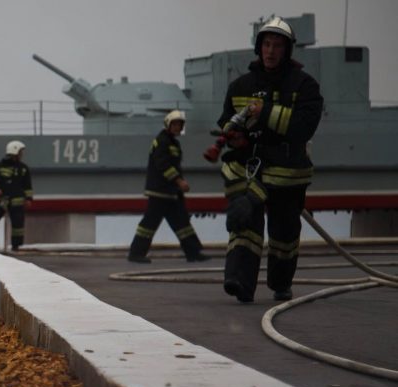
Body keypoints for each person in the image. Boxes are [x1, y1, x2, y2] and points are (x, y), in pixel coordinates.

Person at [217, 16, 323, 303]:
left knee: (284, 234)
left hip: (286, 173)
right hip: (248, 169)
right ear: (259, 47)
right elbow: (226, 120)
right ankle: (239, 282)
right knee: (244, 224)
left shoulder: (304, 86)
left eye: (277, 45)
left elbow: (303, 128)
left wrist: (264, 111)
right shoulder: (240, 86)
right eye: (266, 44)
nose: (271, 51)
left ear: (287, 50)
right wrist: (233, 135)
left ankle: (280, 282)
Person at [127, 110, 210, 264]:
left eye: (180, 125)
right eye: (175, 124)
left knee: (182, 223)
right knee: (149, 224)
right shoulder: (162, 141)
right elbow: (163, 165)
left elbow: (175, 166)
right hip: (159, 191)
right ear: (168, 125)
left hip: (171, 192)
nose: (178, 127)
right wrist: (179, 181)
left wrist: (178, 185)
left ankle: (193, 253)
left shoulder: (173, 143)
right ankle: (136, 254)